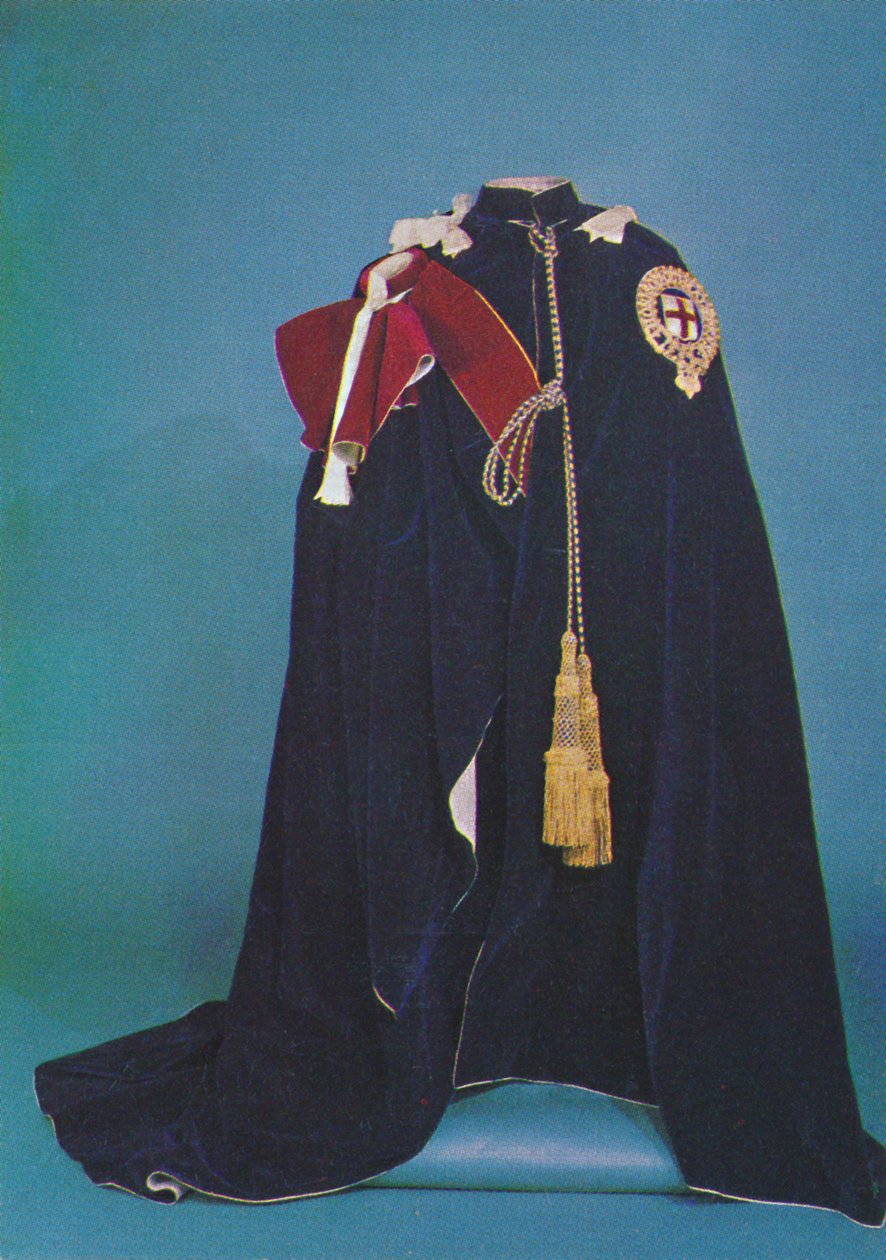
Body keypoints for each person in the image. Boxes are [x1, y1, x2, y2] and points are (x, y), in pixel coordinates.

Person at [34, 178, 886, 1226]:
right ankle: (446, 1033)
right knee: (468, 796)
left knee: (635, 776)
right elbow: (372, 493)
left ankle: (617, 1034)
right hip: (466, 609)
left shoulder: (643, 271)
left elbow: (690, 488)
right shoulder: (430, 280)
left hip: (626, 602)